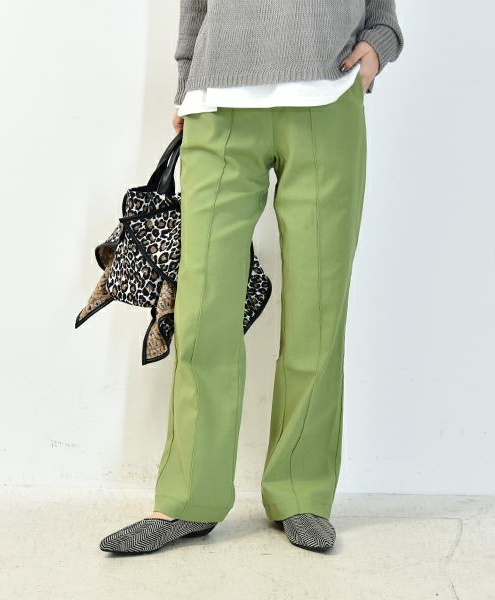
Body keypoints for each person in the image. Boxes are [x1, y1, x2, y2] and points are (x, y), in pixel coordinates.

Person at [100, 0, 404, 554]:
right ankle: (189, 497)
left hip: (326, 93)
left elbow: (381, 14)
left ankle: (302, 493)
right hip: (219, 102)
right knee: (203, 309)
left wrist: (380, 43)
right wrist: (186, 84)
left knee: (318, 308)